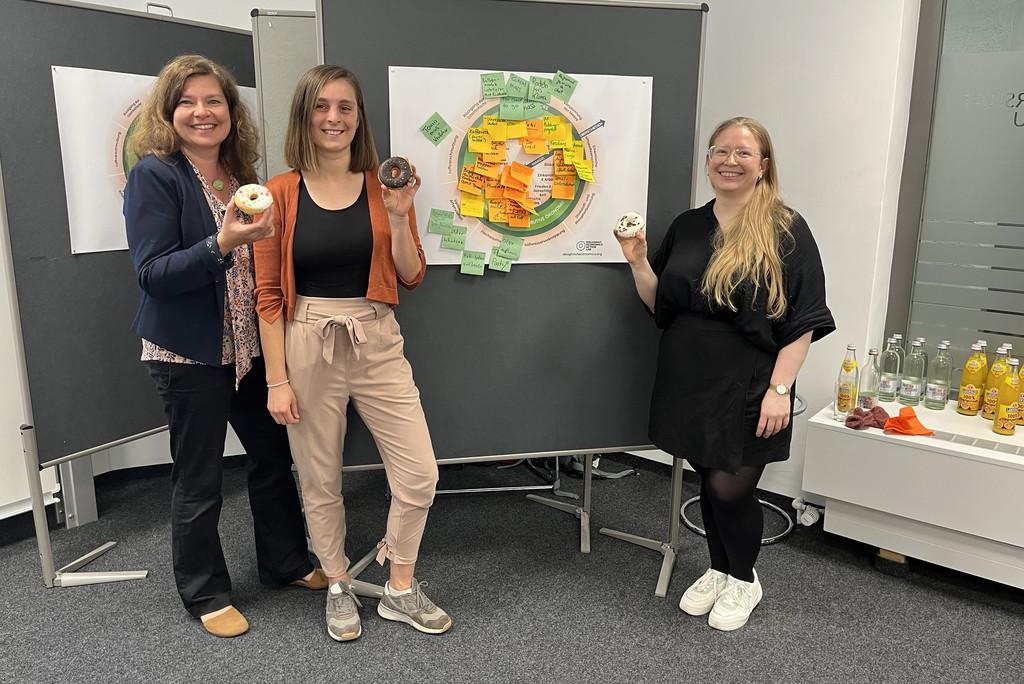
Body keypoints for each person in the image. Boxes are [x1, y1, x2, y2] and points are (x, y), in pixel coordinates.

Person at [124, 54, 327, 639]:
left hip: (249, 346)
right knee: (200, 475)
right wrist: (223, 241)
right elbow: (153, 273)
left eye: (214, 101)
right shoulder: (156, 174)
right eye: (187, 102)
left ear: (231, 113)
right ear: (168, 112)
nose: (202, 112)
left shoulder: (240, 177)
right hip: (189, 354)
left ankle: (284, 562)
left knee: (271, 458)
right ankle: (205, 591)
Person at [253, 64, 451, 642]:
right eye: (321, 107)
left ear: (358, 117)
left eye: (344, 107)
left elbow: (412, 276)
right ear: (305, 116)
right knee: (319, 478)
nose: (333, 118)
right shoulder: (281, 191)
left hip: (377, 337)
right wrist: (276, 379)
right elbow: (268, 295)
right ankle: (337, 584)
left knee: (419, 473)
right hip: (307, 337)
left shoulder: (385, 186)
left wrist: (396, 214)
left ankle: (400, 587)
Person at [617, 116, 834, 631]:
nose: (729, 161)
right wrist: (638, 261)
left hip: (753, 380)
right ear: (709, 161)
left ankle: (744, 579)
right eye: (720, 151)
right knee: (709, 480)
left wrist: (780, 390)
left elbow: (803, 322)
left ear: (763, 166)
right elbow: (662, 307)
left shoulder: (786, 229)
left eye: (742, 153)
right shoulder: (689, 225)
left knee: (730, 487)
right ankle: (719, 568)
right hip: (689, 376)